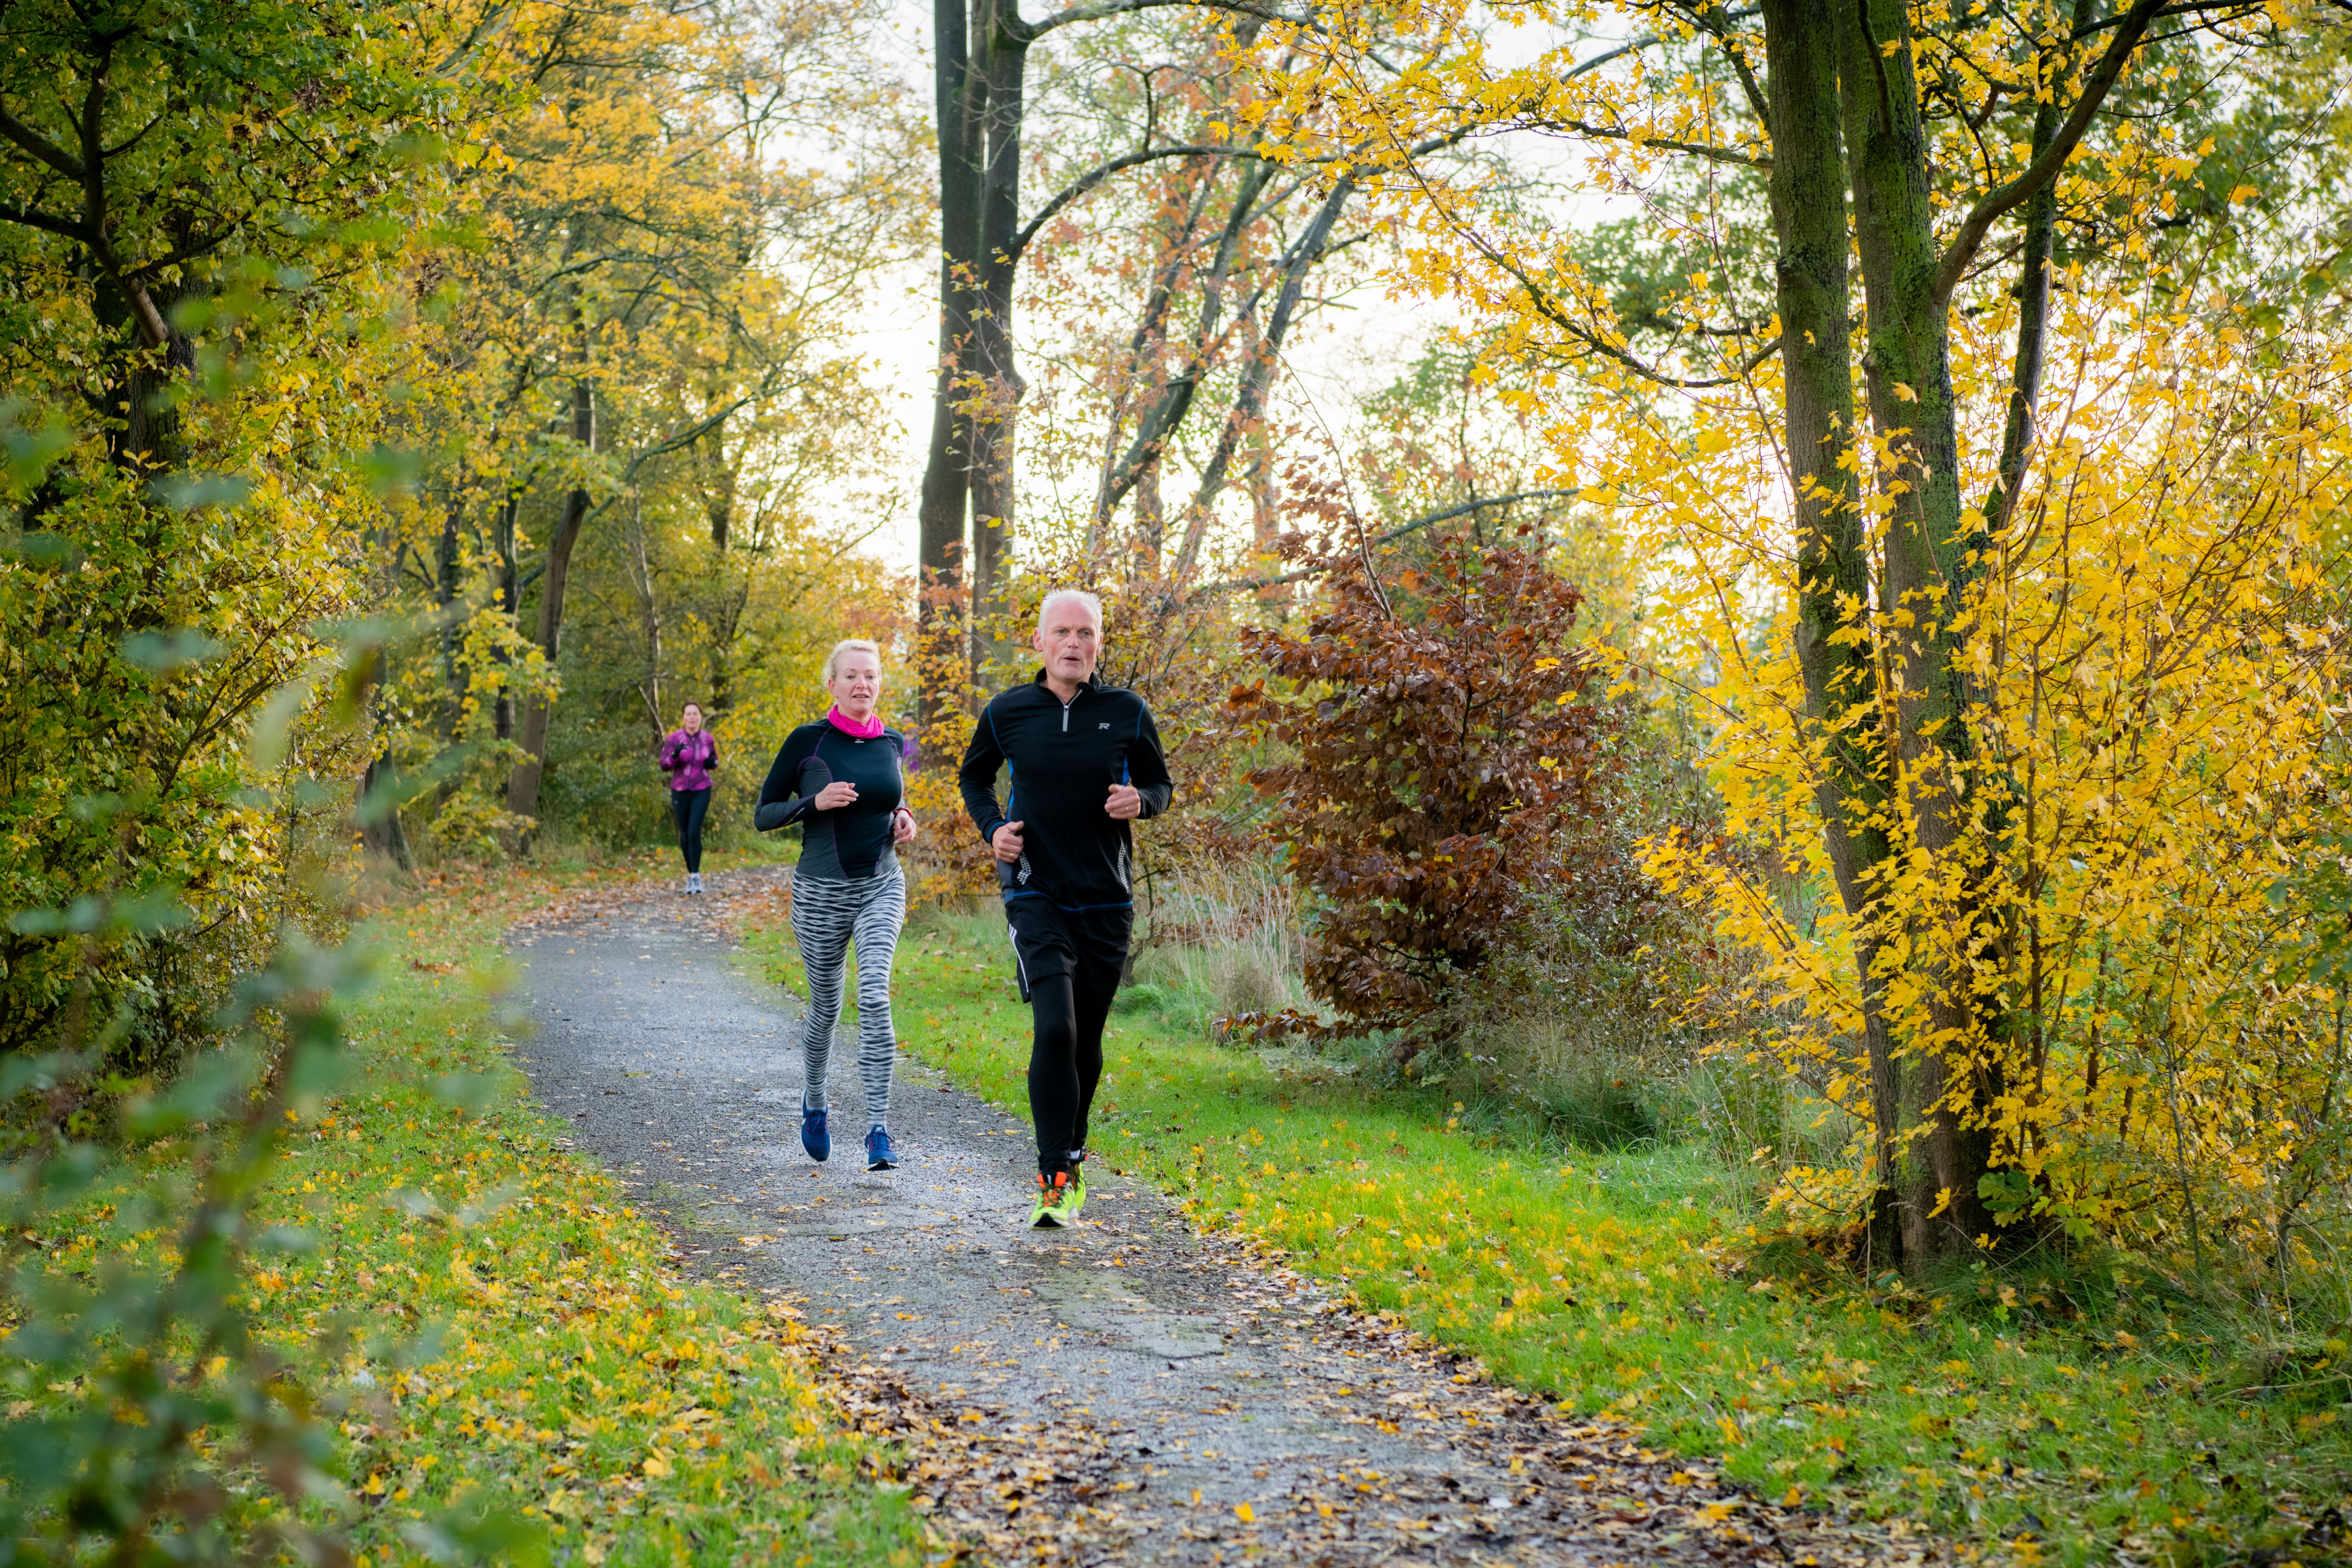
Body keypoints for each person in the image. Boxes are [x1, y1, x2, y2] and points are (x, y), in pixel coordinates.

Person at [958, 589, 1173, 1228]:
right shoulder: (1007, 712)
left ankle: (1072, 1154)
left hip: (1106, 900)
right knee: (1054, 1027)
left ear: (1098, 643)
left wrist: (1144, 802)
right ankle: (1052, 1176)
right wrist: (992, 828)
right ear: (1040, 644)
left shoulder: (1127, 711)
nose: (1073, 644)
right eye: (1062, 633)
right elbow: (974, 776)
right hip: (1033, 891)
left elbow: (1159, 783)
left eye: (1085, 633)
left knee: (1085, 1042)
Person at [755, 640, 919, 1172]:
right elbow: (763, 814)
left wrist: (903, 815)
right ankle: (816, 1101)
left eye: (870, 677)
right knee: (826, 1008)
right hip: (821, 894)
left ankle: (878, 1131)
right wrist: (813, 803)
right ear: (832, 684)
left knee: (874, 995)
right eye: (851, 676)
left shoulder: (894, 741)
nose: (861, 686)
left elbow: (890, 795)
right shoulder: (808, 742)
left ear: (879, 683)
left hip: (881, 885)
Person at [658, 702, 718, 895]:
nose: (692, 717)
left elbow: (715, 761)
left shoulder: (707, 739)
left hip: (702, 789)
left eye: (695, 714)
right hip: (680, 789)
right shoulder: (675, 738)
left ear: (700, 717)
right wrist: (675, 754)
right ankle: (691, 873)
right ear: (684, 718)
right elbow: (664, 765)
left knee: (694, 831)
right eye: (688, 714)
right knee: (684, 834)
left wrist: (712, 762)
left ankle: (695, 877)